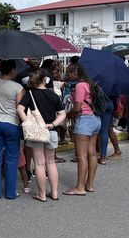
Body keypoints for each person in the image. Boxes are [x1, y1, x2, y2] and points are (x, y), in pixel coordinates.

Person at [17, 68, 66, 202]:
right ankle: (54, 192)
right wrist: (53, 124)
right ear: (45, 80)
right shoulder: (53, 95)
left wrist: (27, 122)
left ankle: (42, 194)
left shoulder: (30, 94)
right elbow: (62, 114)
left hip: (36, 132)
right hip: (51, 131)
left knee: (39, 164)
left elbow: (20, 109)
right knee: (51, 163)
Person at [0, 59, 24, 200]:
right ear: (12, 70)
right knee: (11, 159)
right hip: (11, 123)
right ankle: (10, 192)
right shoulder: (17, 87)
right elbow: (19, 108)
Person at [63, 63, 101, 196]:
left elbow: (78, 107)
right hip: (95, 120)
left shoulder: (79, 85)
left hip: (84, 120)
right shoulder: (90, 83)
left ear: (75, 73)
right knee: (92, 153)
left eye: (69, 73)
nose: (68, 75)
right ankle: (89, 184)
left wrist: (67, 114)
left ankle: (79, 187)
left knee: (81, 156)